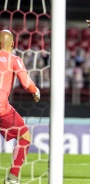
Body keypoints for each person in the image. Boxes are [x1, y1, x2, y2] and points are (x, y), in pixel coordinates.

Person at [0, 30, 40, 184]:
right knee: (25, 137)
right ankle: (12, 177)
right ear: (13, 44)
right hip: (2, 109)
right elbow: (26, 83)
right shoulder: (14, 59)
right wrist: (35, 91)